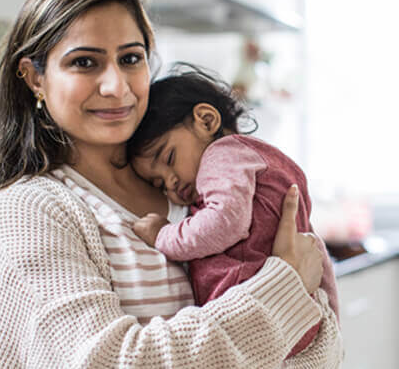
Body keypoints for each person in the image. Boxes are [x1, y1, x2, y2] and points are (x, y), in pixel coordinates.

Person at [0, 0, 342, 369]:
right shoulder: (29, 210)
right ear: (34, 78)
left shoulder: (191, 187)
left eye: (131, 59)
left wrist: (295, 301)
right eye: (85, 62)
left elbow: (322, 349)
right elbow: (109, 362)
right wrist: (286, 289)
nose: (116, 86)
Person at [126, 66, 339, 357]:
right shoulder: (256, 162)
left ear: (206, 120)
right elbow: (316, 251)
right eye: (158, 183)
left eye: (170, 157)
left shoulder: (222, 155)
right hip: (290, 317)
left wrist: (163, 234)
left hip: (257, 317)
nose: (171, 183)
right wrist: (330, 320)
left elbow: (225, 223)